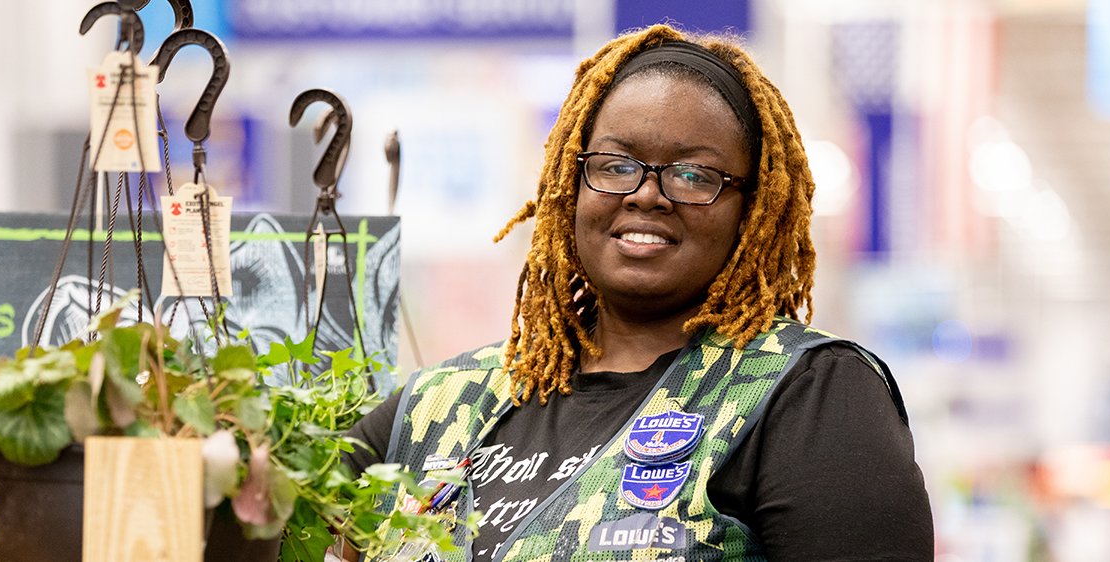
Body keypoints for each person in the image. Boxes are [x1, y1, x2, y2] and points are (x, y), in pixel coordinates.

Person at [344, 25, 933, 562]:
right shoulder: (440, 406)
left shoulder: (809, 394)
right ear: (569, 185)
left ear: (752, 209)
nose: (647, 194)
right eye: (617, 164)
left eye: (694, 174)